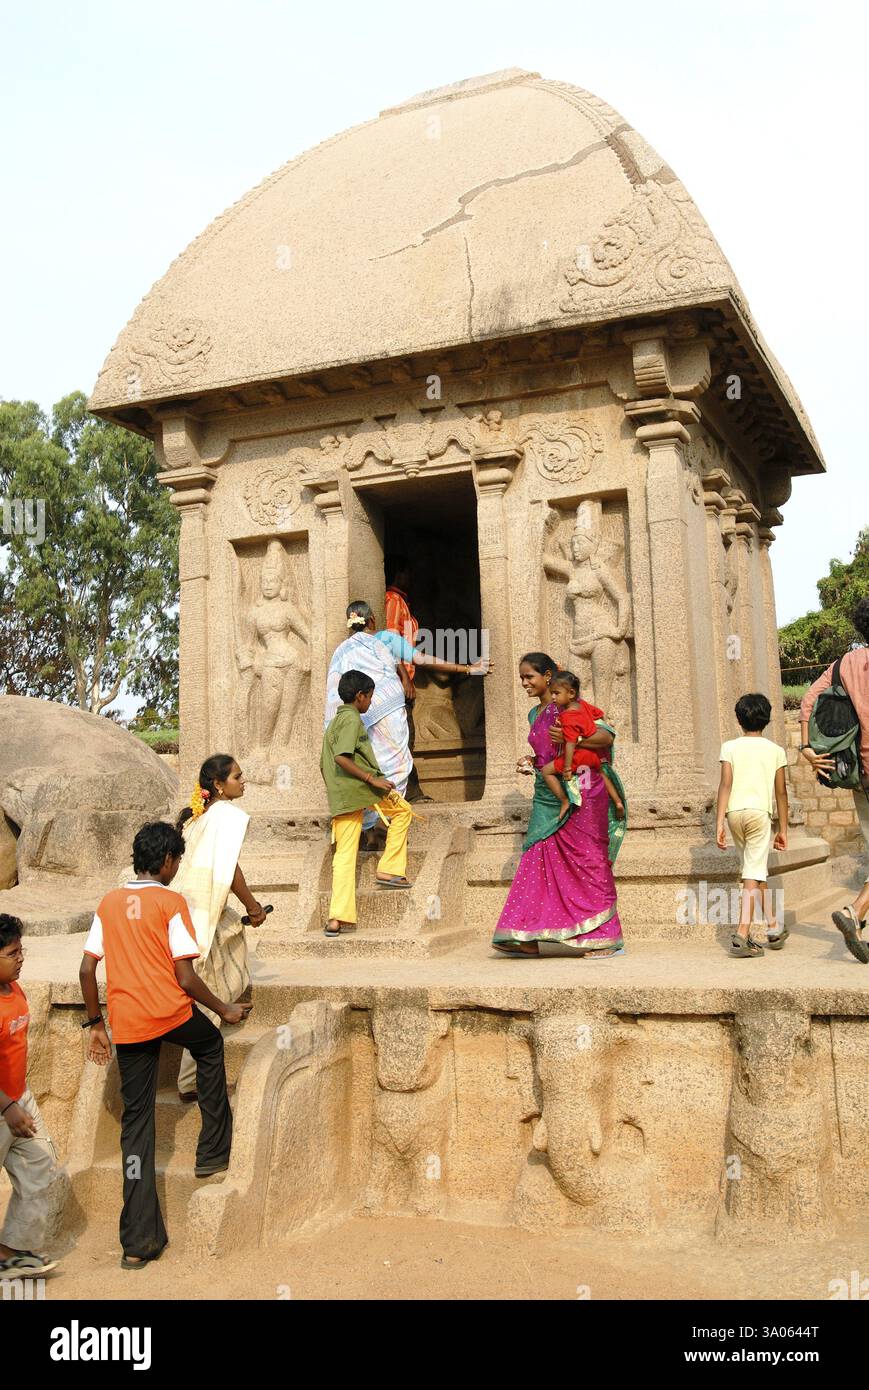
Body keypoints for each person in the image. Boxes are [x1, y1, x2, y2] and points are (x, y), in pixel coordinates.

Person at [79, 822, 251, 1269]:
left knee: (136, 1126)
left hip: (130, 1024)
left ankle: (138, 1243)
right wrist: (225, 1008)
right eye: (177, 861)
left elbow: (85, 970)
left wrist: (96, 1024)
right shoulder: (171, 902)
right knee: (210, 1044)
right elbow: (186, 978)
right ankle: (212, 1150)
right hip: (171, 1014)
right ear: (169, 862)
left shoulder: (110, 902)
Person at [492, 652, 627, 957]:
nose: (525, 682)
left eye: (530, 677)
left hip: (582, 789)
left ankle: (606, 935)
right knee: (537, 858)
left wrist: (575, 741)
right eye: (522, 677)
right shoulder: (533, 715)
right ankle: (525, 933)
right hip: (546, 793)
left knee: (588, 860)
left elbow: (606, 736)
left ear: (549, 677)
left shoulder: (568, 705)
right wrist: (532, 760)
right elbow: (544, 751)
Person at [324, 602, 490, 832]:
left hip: (359, 718)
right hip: (389, 715)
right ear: (372, 619)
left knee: (368, 764)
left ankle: (371, 824)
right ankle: (386, 817)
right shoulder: (387, 639)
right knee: (393, 764)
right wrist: (467, 669)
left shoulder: (342, 651)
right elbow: (421, 659)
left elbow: (336, 690)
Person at [172, 755, 265, 1102]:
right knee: (210, 995)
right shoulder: (225, 814)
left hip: (194, 911)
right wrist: (252, 906)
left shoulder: (201, 817)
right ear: (218, 785)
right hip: (202, 914)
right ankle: (189, 1081)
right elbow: (231, 869)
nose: (244, 782)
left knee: (225, 971)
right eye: (238, 777)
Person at [799, 597, 869, 962]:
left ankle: (856, 917)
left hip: (859, 772)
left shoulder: (844, 664)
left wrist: (807, 749)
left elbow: (809, 700)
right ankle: (854, 912)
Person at [321, 670, 414, 936]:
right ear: (360, 696)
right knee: (403, 811)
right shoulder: (351, 720)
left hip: (344, 795)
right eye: (370, 697)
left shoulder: (335, 723)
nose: (371, 702)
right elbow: (341, 757)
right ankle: (389, 869)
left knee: (344, 856)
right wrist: (372, 780)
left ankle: (336, 919)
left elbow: (324, 763)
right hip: (362, 789)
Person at [0, 915, 61, 1276]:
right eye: (12, 953)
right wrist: (7, 1106)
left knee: (40, 1163)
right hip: (5, 1106)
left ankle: (12, 1252)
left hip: (17, 1099)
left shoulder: (14, 989)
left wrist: (16, 1100)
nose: (21, 958)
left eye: (22, 951)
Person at [716, 693, 789, 957]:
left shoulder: (729, 747)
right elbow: (781, 792)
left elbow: (725, 784)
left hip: (735, 813)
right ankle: (743, 933)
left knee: (754, 870)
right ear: (768, 718)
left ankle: (773, 926)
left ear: (739, 719)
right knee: (752, 873)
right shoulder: (776, 750)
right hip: (759, 814)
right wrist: (783, 828)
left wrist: (719, 822)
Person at [537, 670, 625, 820]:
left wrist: (566, 767)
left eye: (556, 693)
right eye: (552, 693)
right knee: (602, 774)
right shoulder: (583, 706)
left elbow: (570, 743)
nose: (552, 697)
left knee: (546, 771)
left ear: (571, 693)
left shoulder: (568, 716)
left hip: (578, 757)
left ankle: (564, 801)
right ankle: (617, 801)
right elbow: (598, 713)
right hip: (593, 756)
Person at [384, 555, 429, 802]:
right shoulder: (392, 601)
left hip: (404, 676)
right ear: (400, 573)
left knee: (406, 736)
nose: (413, 579)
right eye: (410, 573)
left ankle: (408, 791)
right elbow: (391, 643)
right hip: (397, 681)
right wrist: (404, 678)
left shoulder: (402, 601)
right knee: (404, 737)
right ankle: (408, 791)